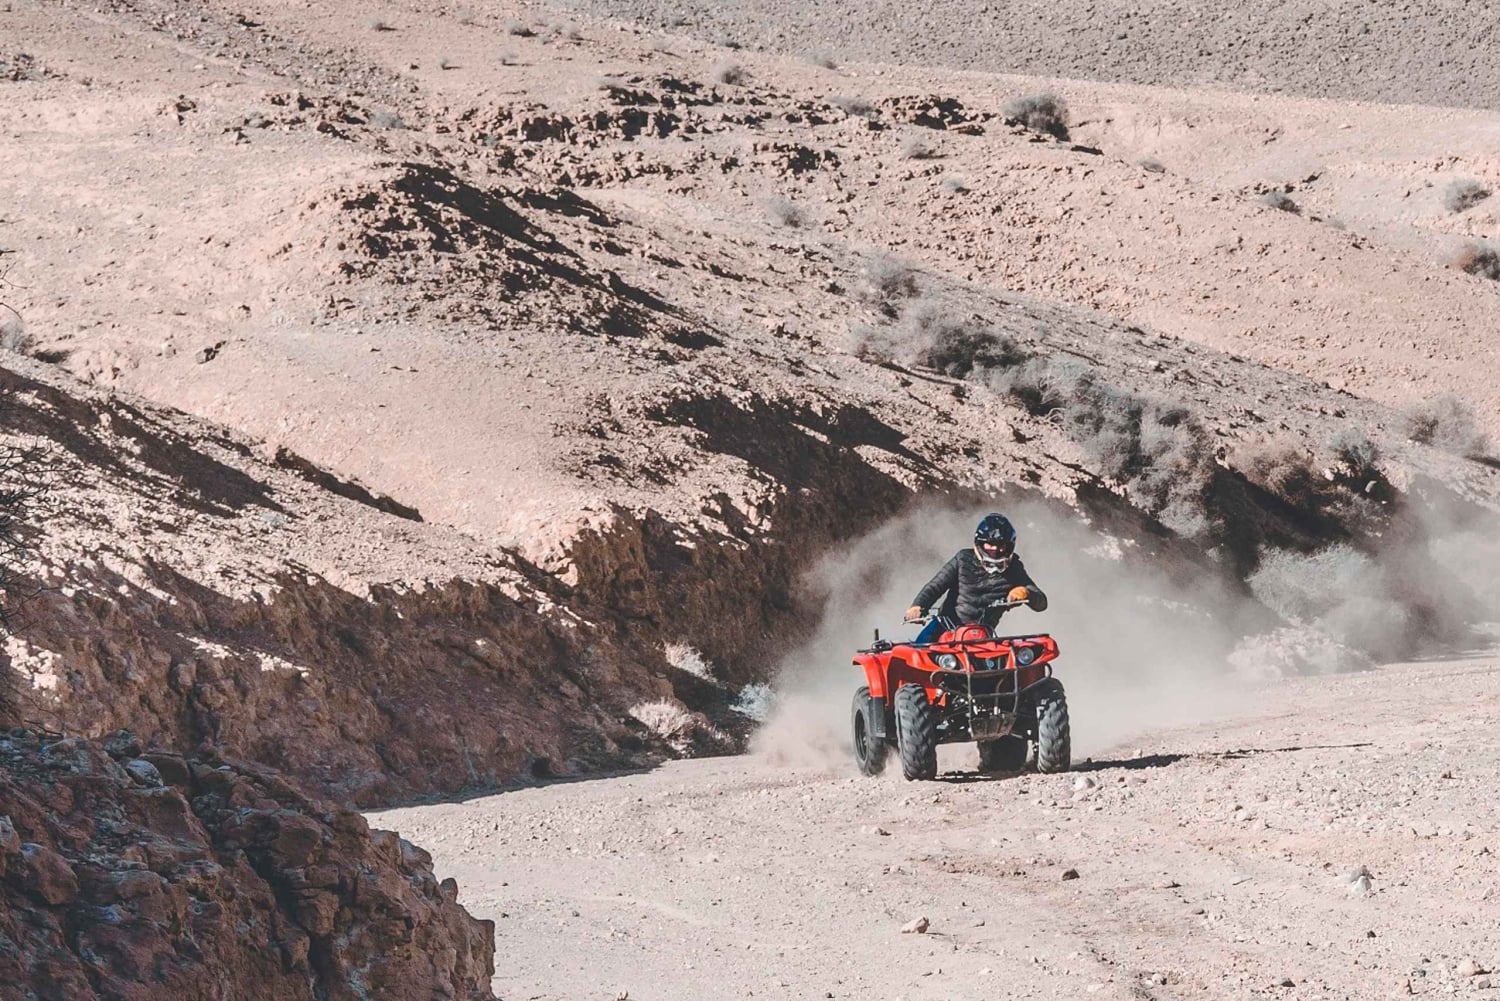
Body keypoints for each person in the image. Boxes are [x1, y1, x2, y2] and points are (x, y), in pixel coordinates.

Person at [904, 513, 1048, 642]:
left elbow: (1041, 602)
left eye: (1000, 545)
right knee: (918, 654)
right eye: (990, 543)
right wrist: (918, 605)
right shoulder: (962, 559)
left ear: (1009, 545)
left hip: (983, 635)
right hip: (945, 626)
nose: (995, 549)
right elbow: (935, 586)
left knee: (1008, 666)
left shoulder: (1014, 568)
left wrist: (1026, 592)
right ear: (980, 543)